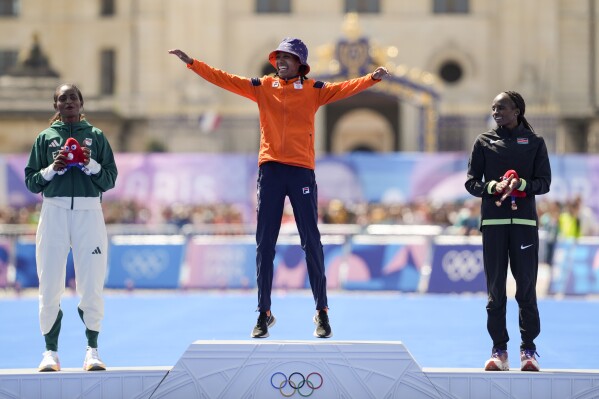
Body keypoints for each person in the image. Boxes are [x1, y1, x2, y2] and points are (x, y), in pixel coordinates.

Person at [169, 37, 389, 339]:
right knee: (265, 245)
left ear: (300, 63)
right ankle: (263, 313)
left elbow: (345, 88)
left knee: (312, 242)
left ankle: (322, 312)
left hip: (301, 172)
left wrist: (371, 79)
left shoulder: (315, 91)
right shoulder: (262, 87)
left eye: (288, 57)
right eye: (279, 57)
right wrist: (193, 64)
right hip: (270, 170)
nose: (281, 61)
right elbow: (224, 79)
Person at [25, 83, 118, 371]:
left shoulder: (96, 137)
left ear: (81, 103)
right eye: (63, 98)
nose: (69, 102)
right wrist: (53, 169)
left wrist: (90, 165)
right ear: (56, 105)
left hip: (89, 211)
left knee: (91, 283)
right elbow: (32, 182)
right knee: (50, 282)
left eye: (73, 97)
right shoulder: (45, 138)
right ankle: (50, 352)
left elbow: (110, 179)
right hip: (54, 210)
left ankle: (92, 349)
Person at [465, 91, 551, 372]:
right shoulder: (484, 142)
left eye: (501, 107)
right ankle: (499, 351)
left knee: (526, 289)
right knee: (495, 292)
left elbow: (544, 182)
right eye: (493, 108)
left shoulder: (535, 142)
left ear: (517, 110)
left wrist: (521, 185)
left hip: (525, 226)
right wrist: (493, 188)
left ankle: (528, 351)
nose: (495, 112)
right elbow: (471, 182)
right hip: (493, 226)